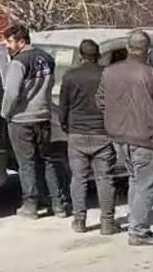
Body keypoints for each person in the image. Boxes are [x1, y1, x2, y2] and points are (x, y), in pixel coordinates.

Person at [97, 30, 153, 246]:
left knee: (137, 182)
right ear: (149, 51)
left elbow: (100, 101)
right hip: (148, 137)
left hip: (120, 137)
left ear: (128, 48)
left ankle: (136, 223)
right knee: (148, 186)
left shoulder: (110, 72)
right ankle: (138, 231)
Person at [0, 24, 69, 219]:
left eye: (10, 41)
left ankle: (30, 205)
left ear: (22, 41)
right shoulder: (47, 59)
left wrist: (5, 113)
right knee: (47, 160)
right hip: (43, 115)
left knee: (27, 163)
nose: (7, 45)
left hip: (22, 119)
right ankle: (58, 204)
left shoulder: (18, 62)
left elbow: (12, 92)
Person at [58, 39, 118, 235]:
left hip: (77, 134)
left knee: (79, 179)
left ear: (80, 55)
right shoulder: (108, 75)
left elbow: (63, 107)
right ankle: (107, 223)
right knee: (105, 179)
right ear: (99, 55)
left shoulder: (70, 77)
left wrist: (66, 126)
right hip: (102, 133)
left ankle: (79, 220)